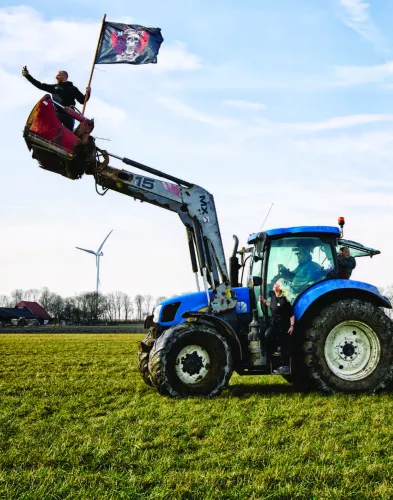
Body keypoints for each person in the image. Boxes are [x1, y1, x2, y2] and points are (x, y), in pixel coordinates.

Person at [22, 66, 91, 131]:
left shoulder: (73, 89)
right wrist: (27, 76)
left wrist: (88, 93)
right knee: (51, 127)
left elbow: (82, 100)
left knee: (68, 132)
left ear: (64, 77)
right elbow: (39, 85)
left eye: (58, 75)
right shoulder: (54, 88)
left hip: (69, 115)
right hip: (57, 114)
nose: (56, 77)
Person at [260, 278, 295, 375]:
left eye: (277, 284)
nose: (274, 284)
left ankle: (285, 367)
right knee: (268, 334)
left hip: (284, 325)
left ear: (280, 288)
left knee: (285, 345)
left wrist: (292, 326)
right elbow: (271, 305)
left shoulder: (284, 301)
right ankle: (275, 349)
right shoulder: (272, 295)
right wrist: (263, 301)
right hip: (274, 323)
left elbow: (291, 315)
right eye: (275, 283)